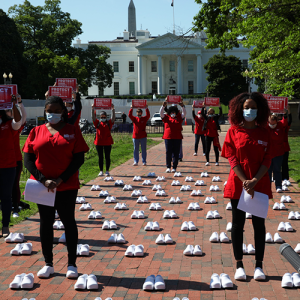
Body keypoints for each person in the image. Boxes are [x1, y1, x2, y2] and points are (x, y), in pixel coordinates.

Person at [23, 96, 89, 279]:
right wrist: (43, 180)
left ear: (64, 112)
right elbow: (28, 158)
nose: (52, 113)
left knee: (69, 221)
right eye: (49, 110)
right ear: (45, 111)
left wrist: (60, 179)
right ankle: (48, 263)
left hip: (66, 186)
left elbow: (79, 158)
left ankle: (72, 264)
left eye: (56, 110)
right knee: (46, 223)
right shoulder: (36, 131)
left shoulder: (72, 130)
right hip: (42, 186)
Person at [222, 92, 272, 281]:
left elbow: (268, 158)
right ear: (239, 110)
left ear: (259, 110)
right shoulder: (233, 131)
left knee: (259, 225)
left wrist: (254, 181)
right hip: (238, 184)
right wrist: (245, 181)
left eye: (252, 107)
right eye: (246, 107)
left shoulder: (265, 131)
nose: (249, 110)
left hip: (259, 184)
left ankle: (259, 265)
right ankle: (239, 265)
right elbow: (232, 157)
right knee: (237, 225)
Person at [0, 95, 22, 237]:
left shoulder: (9, 125)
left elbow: (18, 120)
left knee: (6, 196)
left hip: (8, 167)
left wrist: (15, 104)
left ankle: (5, 225)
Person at [5, 94, 27, 217]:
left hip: (14, 160)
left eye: (10, 111)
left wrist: (19, 103)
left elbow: (22, 117)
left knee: (14, 184)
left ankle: (16, 207)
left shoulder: (14, 126)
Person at [160, 100, 186, 173]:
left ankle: (174, 167)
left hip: (177, 137)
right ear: (169, 112)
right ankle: (168, 166)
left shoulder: (179, 117)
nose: (173, 114)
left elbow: (184, 113)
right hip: (168, 137)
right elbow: (161, 113)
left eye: (174, 112)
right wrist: (163, 106)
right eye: (171, 112)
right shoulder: (166, 117)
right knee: (168, 152)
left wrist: (182, 106)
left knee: (176, 152)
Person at [92, 104, 115, 176]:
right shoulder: (97, 123)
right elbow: (93, 117)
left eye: (104, 116)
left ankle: (107, 170)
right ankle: (101, 170)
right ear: (100, 117)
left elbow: (113, 118)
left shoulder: (109, 123)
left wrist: (113, 109)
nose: (103, 117)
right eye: (101, 116)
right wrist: (93, 109)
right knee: (100, 157)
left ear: (106, 116)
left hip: (107, 143)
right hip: (99, 143)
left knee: (107, 157)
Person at [267, 112, 288, 192]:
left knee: (277, 170)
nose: (272, 125)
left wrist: (286, 113)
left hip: (278, 153)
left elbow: (285, 122)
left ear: (276, 121)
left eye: (273, 123)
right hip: (268, 153)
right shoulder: (266, 126)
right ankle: (267, 187)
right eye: (270, 123)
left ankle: (278, 186)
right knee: (268, 171)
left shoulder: (280, 126)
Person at [281, 105, 292, 182]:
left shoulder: (285, 127)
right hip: (275, 148)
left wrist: (288, 111)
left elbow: (289, 120)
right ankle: (276, 177)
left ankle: (285, 178)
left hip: (284, 148)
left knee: (284, 163)